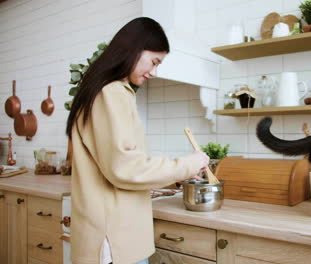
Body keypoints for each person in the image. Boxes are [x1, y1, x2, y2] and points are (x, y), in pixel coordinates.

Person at [65, 17, 209, 264]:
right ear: (133, 49)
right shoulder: (112, 92)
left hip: (108, 237)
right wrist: (188, 163)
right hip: (115, 243)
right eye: (154, 61)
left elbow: (119, 165)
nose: (154, 72)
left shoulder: (100, 90)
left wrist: (177, 176)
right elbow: (125, 167)